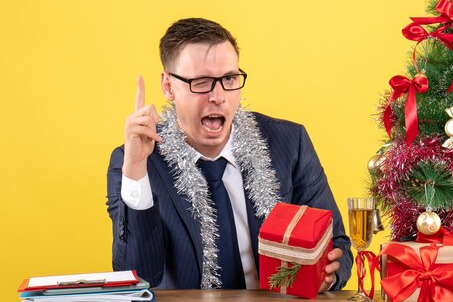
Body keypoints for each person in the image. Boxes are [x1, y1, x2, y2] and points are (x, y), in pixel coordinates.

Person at [106, 18, 352, 291]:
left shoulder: (290, 143)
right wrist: (137, 168)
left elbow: (337, 245)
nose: (218, 96)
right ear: (168, 86)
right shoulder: (133, 161)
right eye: (201, 82)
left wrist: (328, 276)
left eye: (229, 79)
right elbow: (138, 277)